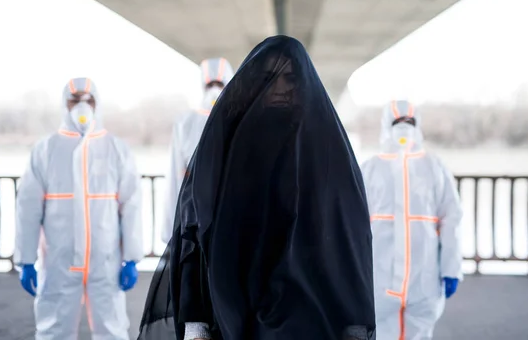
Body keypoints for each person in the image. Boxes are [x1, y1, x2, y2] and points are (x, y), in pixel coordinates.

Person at [138, 36, 376, 340]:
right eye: (268, 78)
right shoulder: (225, 145)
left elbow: (347, 236)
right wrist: (196, 322)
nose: (280, 86)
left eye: (290, 77)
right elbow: (197, 229)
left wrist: (353, 322)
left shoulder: (324, 147)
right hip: (234, 310)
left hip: (311, 311)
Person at [14, 77, 144, 340]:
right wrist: (25, 259)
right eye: (75, 101)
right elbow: (27, 208)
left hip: (105, 260)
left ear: (98, 104)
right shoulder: (45, 149)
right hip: (58, 260)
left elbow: (131, 205)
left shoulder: (115, 148)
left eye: (89, 100)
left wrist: (131, 256)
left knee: (112, 329)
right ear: (65, 105)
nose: (82, 107)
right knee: (54, 330)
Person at [360, 100, 463, 340]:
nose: (403, 128)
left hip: (424, 274)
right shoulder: (370, 168)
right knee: (381, 330)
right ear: (387, 125)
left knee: (420, 330)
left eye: (409, 122)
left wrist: (451, 267)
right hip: (380, 274)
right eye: (398, 122)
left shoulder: (434, 167)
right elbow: (354, 223)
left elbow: (451, 218)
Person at [161, 57, 234, 244]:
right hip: (193, 218)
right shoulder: (185, 124)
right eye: (209, 84)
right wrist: (170, 230)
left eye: (220, 84)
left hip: (231, 216)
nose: (214, 90)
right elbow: (174, 176)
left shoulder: (240, 119)